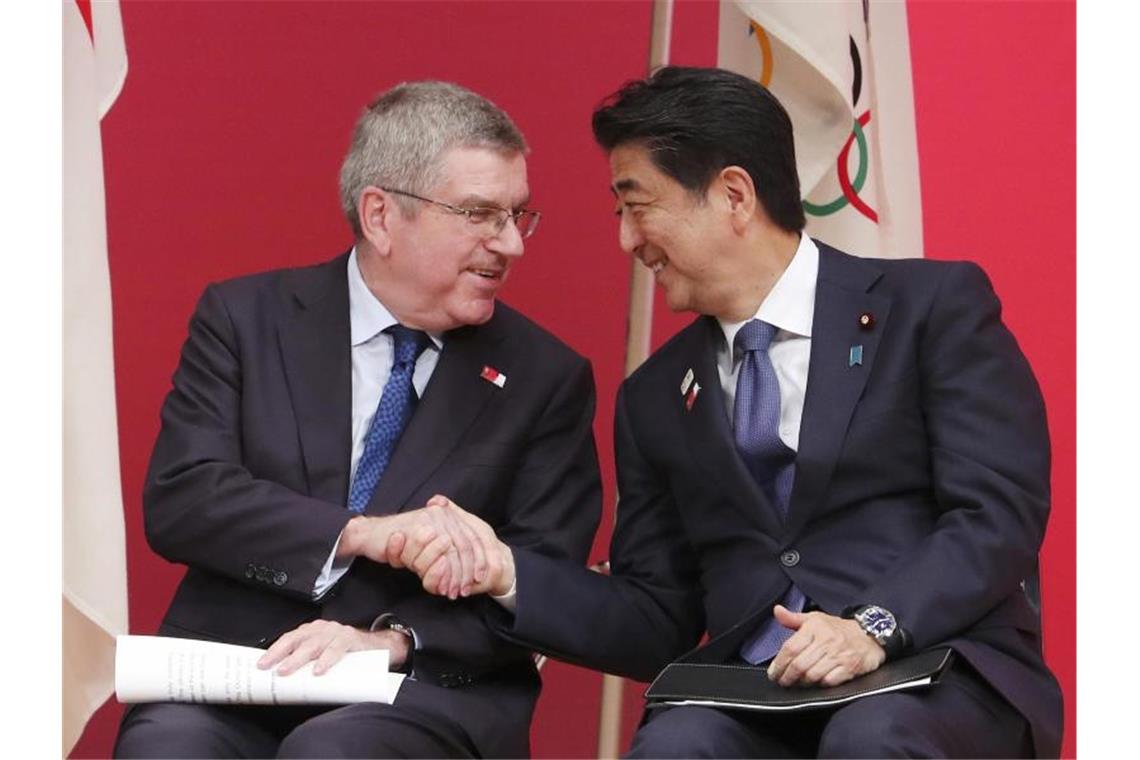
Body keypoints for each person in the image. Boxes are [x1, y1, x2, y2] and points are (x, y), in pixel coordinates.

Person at [424, 66, 1062, 757]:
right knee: (674, 748)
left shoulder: (930, 309)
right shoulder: (654, 397)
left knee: (871, 738)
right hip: (753, 694)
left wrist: (869, 629)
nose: (628, 241)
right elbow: (655, 615)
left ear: (732, 194)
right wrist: (507, 573)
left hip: (929, 669)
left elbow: (996, 516)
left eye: (639, 206)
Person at [113, 81, 602, 759]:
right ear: (380, 216)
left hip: (421, 687)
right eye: (481, 214)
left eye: (520, 215)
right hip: (238, 673)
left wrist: (391, 641)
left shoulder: (545, 377)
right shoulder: (247, 320)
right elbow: (184, 498)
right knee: (170, 748)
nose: (511, 243)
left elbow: (544, 578)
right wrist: (365, 535)